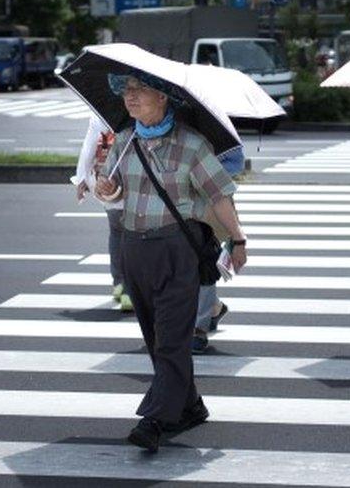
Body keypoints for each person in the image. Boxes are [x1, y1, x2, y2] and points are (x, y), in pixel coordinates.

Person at [95, 72, 247, 451]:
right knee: (156, 337)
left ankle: (156, 418)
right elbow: (112, 194)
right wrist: (106, 190)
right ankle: (191, 405)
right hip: (134, 247)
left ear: (163, 97)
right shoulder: (125, 141)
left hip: (177, 249)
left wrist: (238, 238)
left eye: (139, 90)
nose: (130, 98)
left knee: (172, 339)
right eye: (126, 91)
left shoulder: (192, 145)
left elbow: (219, 195)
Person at [72, 116, 131, 312]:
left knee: (116, 232)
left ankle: (119, 283)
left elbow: (89, 146)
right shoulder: (143, 108)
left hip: (105, 181)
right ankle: (130, 291)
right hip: (134, 182)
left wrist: (81, 179)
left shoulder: (101, 112)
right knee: (135, 236)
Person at [191, 145, 245, 354]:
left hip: (209, 204)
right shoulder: (156, 129)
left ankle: (198, 327)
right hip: (171, 208)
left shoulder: (216, 131)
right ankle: (214, 308)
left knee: (204, 263)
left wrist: (206, 170)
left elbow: (235, 163)